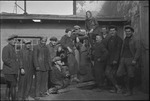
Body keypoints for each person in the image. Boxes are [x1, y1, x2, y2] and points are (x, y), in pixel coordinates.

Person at [117, 25, 141, 96]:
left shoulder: (135, 40)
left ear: (132, 32)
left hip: (130, 59)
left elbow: (138, 50)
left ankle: (130, 91)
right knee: (119, 74)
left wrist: (135, 59)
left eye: (129, 31)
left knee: (130, 75)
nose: (127, 33)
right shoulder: (125, 39)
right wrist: (121, 58)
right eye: (126, 31)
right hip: (123, 58)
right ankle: (125, 88)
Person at [105, 25, 123, 93]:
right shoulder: (109, 39)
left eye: (113, 30)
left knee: (112, 74)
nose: (112, 32)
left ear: (116, 31)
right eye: (110, 31)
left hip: (115, 60)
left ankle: (118, 88)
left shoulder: (119, 40)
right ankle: (116, 87)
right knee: (108, 73)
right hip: (109, 60)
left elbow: (118, 50)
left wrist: (115, 59)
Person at [2, 35, 20, 100]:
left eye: (15, 40)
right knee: (13, 86)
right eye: (13, 40)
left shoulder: (12, 48)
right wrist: (15, 65)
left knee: (9, 86)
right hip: (9, 71)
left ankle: (7, 98)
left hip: (12, 71)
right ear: (9, 41)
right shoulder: (6, 48)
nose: (15, 41)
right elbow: (5, 59)